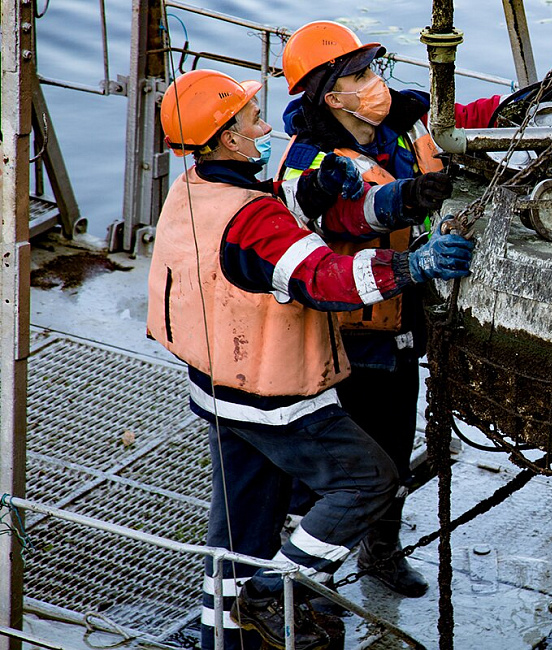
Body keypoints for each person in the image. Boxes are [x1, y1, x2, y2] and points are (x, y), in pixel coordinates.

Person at [147, 69, 474, 650]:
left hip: (216, 388)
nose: (265, 125)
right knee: (368, 481)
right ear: (226, 138)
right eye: (251, 120)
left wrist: (387, 198)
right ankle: (278, 590)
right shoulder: (253, 219)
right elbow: (323, 276)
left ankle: (223, 639)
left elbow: (309, 213)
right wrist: (413, 267)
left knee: (238, 535)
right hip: (274, 400)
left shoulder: (196, 188)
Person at [274, 20, 499, 598]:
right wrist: (402, 199)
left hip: (400, 320)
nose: (376, 82)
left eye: (373, 69)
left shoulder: (397, 122)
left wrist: (520, 106)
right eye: (361, 74)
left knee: (394, 450)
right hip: (337, 333)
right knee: (328, 468)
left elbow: (458, 125)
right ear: (332, 94)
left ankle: (380, 551)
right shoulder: (306, 158)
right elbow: (328, 211)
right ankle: (300, 584)